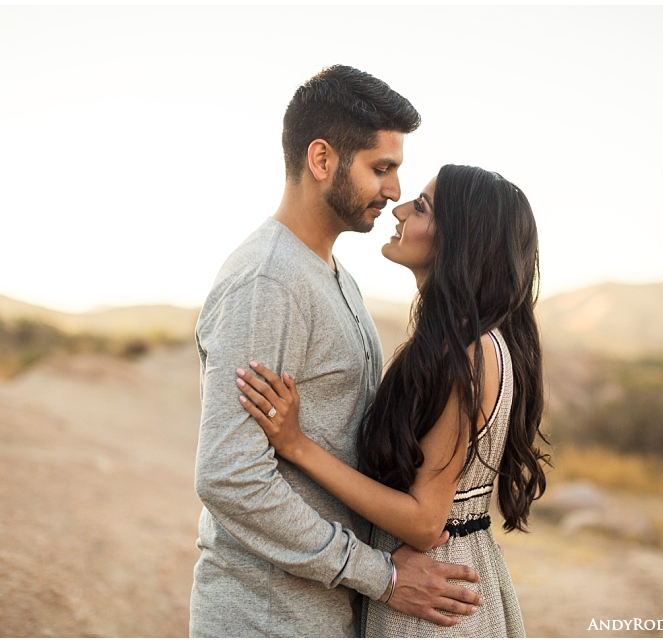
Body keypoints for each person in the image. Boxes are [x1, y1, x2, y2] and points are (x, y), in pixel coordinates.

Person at [190, 67, 484, 638]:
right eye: (382, 168)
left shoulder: (335, 275)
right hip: (267, 615)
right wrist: (381, 576)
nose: (396, 190)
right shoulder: (267, 282)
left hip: (324, 610)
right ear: (321, 160)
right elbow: (229, 476)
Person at [236, 164, 549, 637]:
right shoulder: (462, 343)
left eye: (421, 207)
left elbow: (424, 522)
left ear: (460, 240)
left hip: (431, 592)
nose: (398, 209)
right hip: (444, 570)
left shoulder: (471, 353)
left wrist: (297, 445)